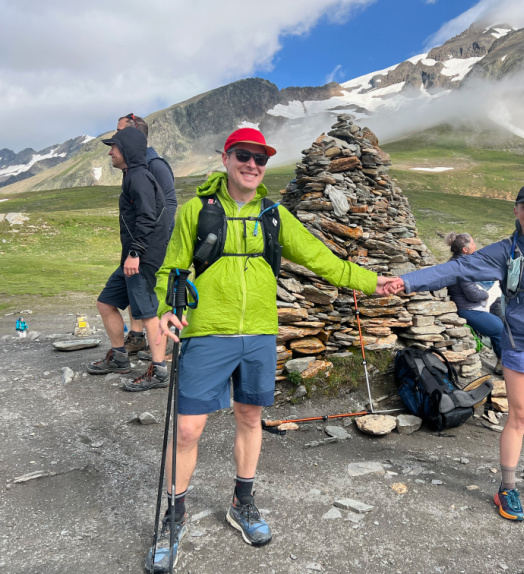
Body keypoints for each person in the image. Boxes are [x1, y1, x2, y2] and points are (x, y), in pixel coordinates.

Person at [144, 127, 396, 572]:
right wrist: (167, 308)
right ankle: (174, 516)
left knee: (250, 418)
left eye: (260, 159)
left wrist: (372, 282)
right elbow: (173, 267)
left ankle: (242, 503)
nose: (252, 165)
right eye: (243, 155)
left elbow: (321, 259)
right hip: (207, 333)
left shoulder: (274, 215)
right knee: (187, 430)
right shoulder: (196, 211)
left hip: (259, 334)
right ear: (226, 158)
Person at [385, 183, 524, 522]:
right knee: (520, 417)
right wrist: (406, 281)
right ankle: (507, 487)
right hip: (520, 342)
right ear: (516, 211)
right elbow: (456, 269)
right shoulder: (506, 251)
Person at [87, 127, 170, 392]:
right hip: (133, 257)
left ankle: (159, 371)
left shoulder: (138, 177)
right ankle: (120, 357)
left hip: (141, 258)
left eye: (114, 147)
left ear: (127, 150)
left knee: (148, 314)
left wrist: (135, 253)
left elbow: (147, 216)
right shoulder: (132, 175)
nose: (110, 152)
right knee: (106, 302)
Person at [115, 114, 177, 359]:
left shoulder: (155, 164)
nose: (116, 136)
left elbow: (169, 203)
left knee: (152, 291)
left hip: (152, 243)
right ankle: (138, 335)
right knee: (135, 288)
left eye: (120, 131)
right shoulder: (133, 167)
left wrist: (155, 242)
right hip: (140, 242)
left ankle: (162, 348)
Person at [443, 232, 504, 374]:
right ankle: (503, 365)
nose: (475, 246)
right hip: (468, 309)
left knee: (500, 325)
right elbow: (473, 294)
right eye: (472, 243)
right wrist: (486, 294)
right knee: (500, 330)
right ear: (465, 249)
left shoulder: (456, 263)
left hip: (468, 307)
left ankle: (502, 361)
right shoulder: (462, 267)